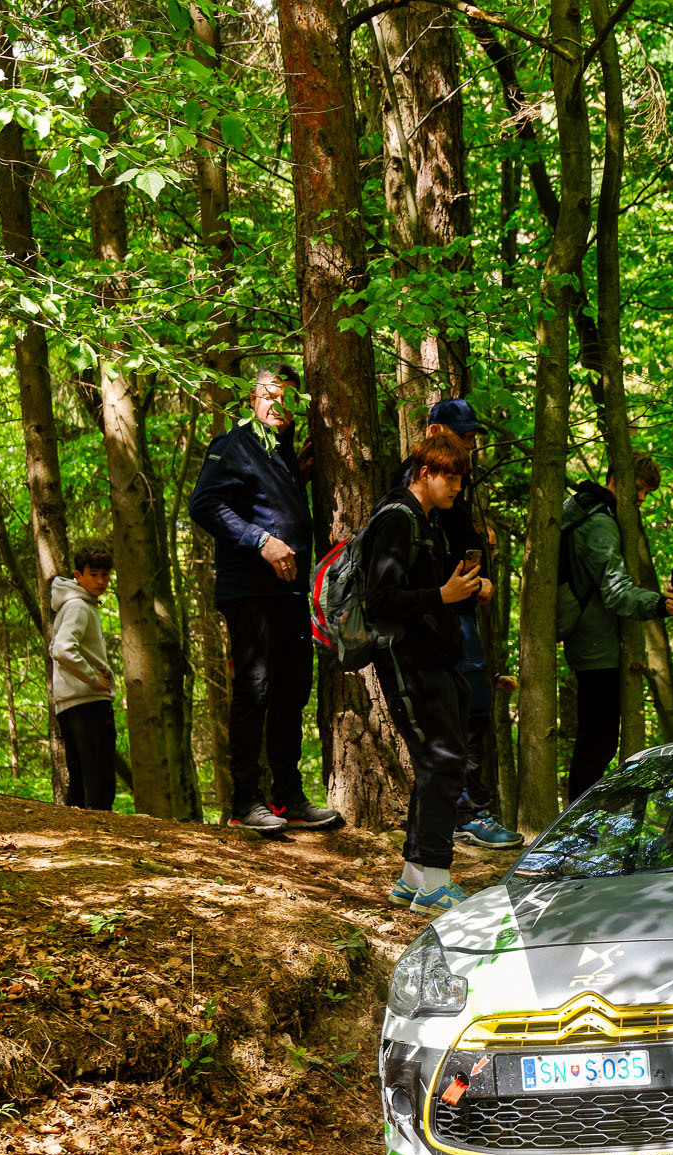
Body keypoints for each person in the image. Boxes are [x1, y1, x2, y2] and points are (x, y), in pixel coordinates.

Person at [189, 366, 341, 833]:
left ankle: (288, 797)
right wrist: (261, 541)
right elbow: (205, 504)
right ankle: (245, 801)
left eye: (289, 399)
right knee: (255, 689)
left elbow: (267, 500)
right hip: (250, 590)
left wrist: (301, 474)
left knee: (292, 689)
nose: (280, 406)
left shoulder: (282, 451)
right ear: (252, 399)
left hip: (291, 593)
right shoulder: (235, 444)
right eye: (271, 396)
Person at [365, 431, 486, 912]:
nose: (457, 487)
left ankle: (413, 877)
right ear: (425, 473)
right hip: (408, 662)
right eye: (449, 478)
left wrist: (459, 591)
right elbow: (379, 600)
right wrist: (442, 595)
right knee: (443, 761)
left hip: (432, 660)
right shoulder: (397, 519)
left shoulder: (425, 521)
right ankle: (436, 882)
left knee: (437, 763)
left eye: (460, 479)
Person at [404, 399, 520, 851]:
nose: (470, 445)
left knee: (473, 708)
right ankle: (466, 814)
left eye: (472, 437)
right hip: (440, 617)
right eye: (462, 435)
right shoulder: (419, 489)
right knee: (461, 714)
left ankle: (470, 810)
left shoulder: (454, 486)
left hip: (460, 611)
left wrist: (480, 573)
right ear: (435, 433)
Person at [559, 456, 673, 800]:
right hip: (596, 647)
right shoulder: (600, 523)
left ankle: (585, 816)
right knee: (597, 744)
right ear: (616, 479)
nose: (641, 499)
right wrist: (658, 604)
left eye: (646, 493)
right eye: (638, 489)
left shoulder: (591, 513)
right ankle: (580, 820)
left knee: (596, 741)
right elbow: (615, 593)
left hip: (596, 643)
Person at [49, 546, 117, 811]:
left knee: (82, 777)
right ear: (78, 576)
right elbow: (62, 649)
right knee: (99, 776)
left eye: (105, 575)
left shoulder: (78, 605)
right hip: (87, 702)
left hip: (75, 701)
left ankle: (77, 829)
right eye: (94, 575)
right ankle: (100, 829)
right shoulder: (78, 606)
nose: (100, 581)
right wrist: (92, 678)